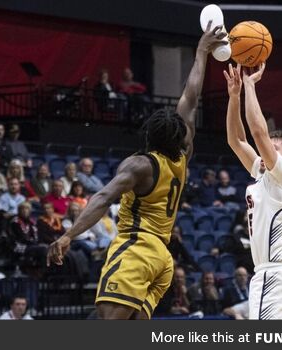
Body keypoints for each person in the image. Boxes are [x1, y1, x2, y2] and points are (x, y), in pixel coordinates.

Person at [47, 23, 227, 319]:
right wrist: (200, 52)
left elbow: (104, 198)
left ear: (149, 134)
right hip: (162, 261)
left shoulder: (141, 165)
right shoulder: (183, 154)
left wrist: (68, 236)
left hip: (137, 249)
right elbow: (191, 97)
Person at [223, 62, 282, 319]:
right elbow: (236, 140)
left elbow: (258, 132)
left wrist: (249, 85)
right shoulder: (262, 172)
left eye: (274, 147)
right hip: (272, 274)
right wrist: (234, 96)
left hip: (275, 274)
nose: (266, 148)